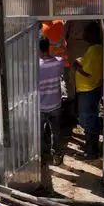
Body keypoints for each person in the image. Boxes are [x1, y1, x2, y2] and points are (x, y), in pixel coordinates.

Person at [72, 22, 104, 159]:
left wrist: (77, 68)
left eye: (86, 32)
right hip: (91, 89)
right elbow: (87, 62)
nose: (83, 35)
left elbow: (89, 72)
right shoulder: (95, 49)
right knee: (89, 118)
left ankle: (91, 152)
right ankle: (92, 150)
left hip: (88, 89)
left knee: (87, 120)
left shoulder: (95, 50)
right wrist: (80, 62)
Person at [38, 36, 66, 171]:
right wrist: (54, 44)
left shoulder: (36, 66)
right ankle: (56, 156)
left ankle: (42, 156)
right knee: (56, 132)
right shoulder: (59, 63)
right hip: (55, 104)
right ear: (48, 47)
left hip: (41, 106)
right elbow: (61, 52)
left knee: (39, 132)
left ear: (38, 49)